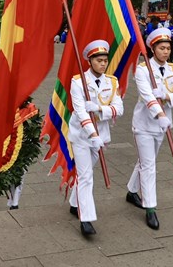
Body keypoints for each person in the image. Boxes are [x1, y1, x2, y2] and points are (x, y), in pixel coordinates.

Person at [126, 28, 173, 230]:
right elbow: (146, 96)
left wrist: (167, 96)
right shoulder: (143, 70)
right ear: (152, 49)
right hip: (145, 124)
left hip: (163, 126)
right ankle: (150, 207)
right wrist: (159, 114)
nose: (166, 52)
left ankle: (131, 190)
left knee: (145, 160)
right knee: (150, 165)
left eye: (168, 48)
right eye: (161, 48)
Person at [68, 40, 124, 237]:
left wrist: (100, 109)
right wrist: (92, 134)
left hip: (101, 136)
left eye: (105, 60)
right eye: (99, 60)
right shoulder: (77, 82)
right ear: (89, 61)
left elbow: (119, 108)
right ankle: (87, 219)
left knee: (86, 172)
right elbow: (81, 112)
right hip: (82, 136)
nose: (103, 64)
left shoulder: (112, 82)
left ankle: (75, 203)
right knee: (86, 176)